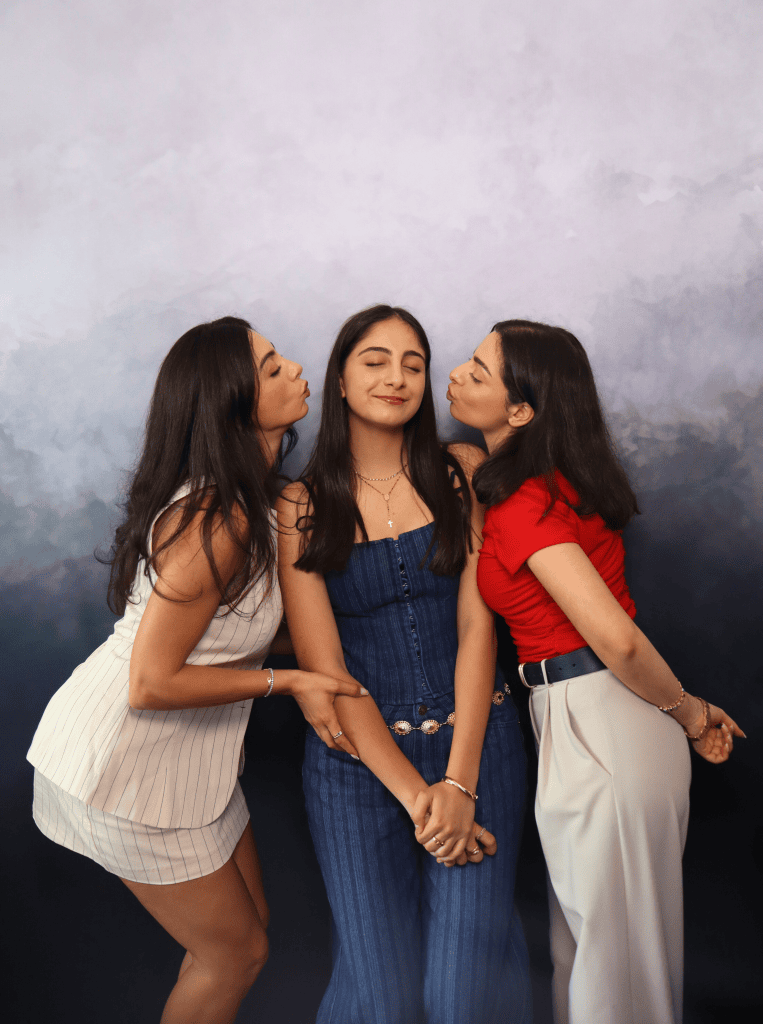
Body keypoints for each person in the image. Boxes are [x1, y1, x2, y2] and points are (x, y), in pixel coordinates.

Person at [27, 316, 367, 1024]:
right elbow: (151, 684)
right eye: (272, 368)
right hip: (121, 765)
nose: (296, 369)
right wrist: (292, 681)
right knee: (234, 954)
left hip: (191, 765)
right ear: (234, 404)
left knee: (247, 933)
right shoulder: (218, 517)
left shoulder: (259, 498)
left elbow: (226, 635)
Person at [447, 318, 745, 1024]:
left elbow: (618, 641)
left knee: (616, 975)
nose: (456, 374)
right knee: (592, 958)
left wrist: (691, 713)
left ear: (519, 411)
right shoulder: (527, 487)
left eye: (477, 371)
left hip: (601, 716)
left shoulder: (526, 501)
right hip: (581, 716)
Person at [277, 304, 532, 1024]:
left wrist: (456, 780)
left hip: (478, 752)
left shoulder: (461, 470)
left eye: (413, 364)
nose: (397, 377)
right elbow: (325, 668)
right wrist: (422, 800)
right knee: (381, 1000)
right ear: (340, 378)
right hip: (355, 771)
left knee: (461, 996)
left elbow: (478, 627)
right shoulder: (297, 504)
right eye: (375, 360)